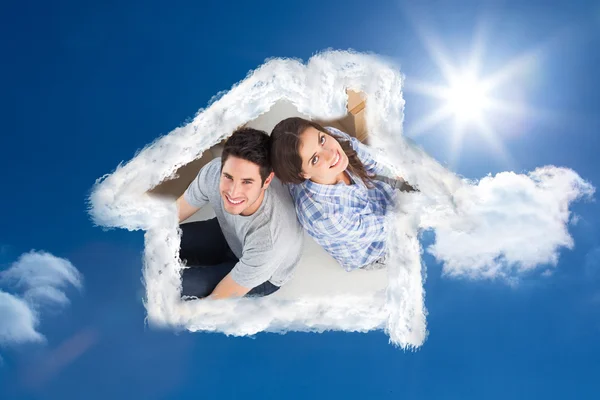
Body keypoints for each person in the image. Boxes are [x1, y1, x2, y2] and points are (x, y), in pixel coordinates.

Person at [270, 117, 417, 272]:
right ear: (303, 174)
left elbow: (375, 162)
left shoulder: (331, 136)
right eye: (315, 159)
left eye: (321, 140)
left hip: (378, 195)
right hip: (376, 248)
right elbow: (389, 228)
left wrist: (401, 177)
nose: (330, 153)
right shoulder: (327, 217)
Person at [176, 127, 304, 300]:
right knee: (161, 241)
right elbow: (171, 217)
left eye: (247, 182)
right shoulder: (213, 172)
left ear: (266, 181)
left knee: (173, 286)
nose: (233, 192)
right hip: (229, 232)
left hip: (265, 274)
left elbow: (217, 300)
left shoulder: (270, 239)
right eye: (228, 177)